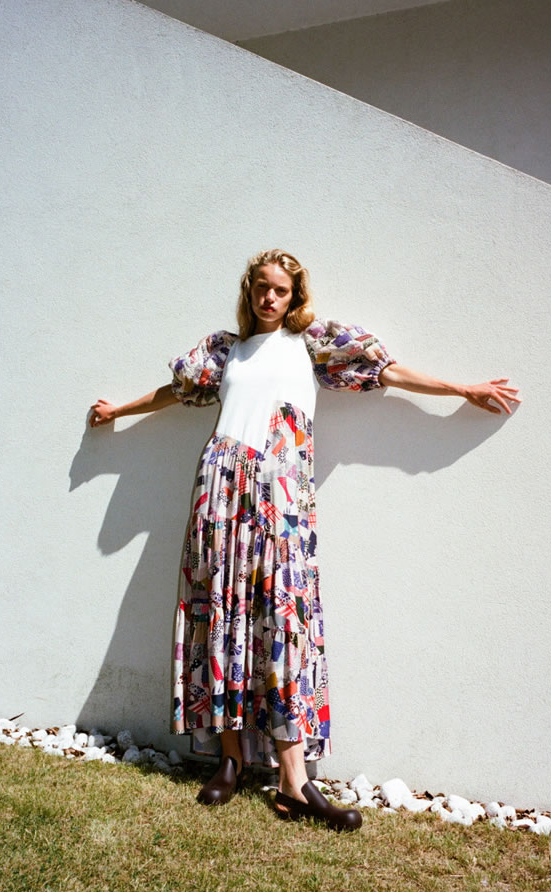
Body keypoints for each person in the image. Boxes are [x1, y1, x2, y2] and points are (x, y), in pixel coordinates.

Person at [89, 248, 519, 831]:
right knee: (223, 614)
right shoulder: (224, 350)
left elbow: (389, 372)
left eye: (281, 290)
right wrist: (120, 410)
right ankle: (230, 761)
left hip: (284, 498)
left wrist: (460, 388)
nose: (270, 298)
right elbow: (175, 392)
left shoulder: (313, 343)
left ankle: (295, 781)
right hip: (221, 492)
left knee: (283, 624)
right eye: (261, 288)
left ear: (295, 296)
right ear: (249, 291)